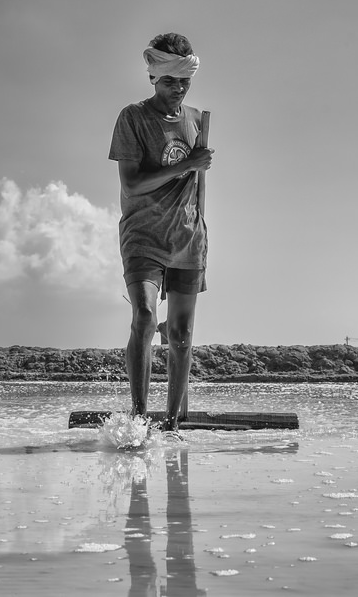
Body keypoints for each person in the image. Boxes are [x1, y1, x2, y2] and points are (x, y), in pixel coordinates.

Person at [108, 32, 214, 433]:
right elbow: (133, 184)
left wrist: (197, 170)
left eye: (184, 81)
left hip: (188, 236)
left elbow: (198, 187)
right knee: (146, 315)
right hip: (143, 234)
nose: (179, 89)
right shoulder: (132, 117)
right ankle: (138, 419)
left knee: (183, 335)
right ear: (153, 76)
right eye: (170, 81)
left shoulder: (196, 121)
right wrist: (187, 165)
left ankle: (170, 424)